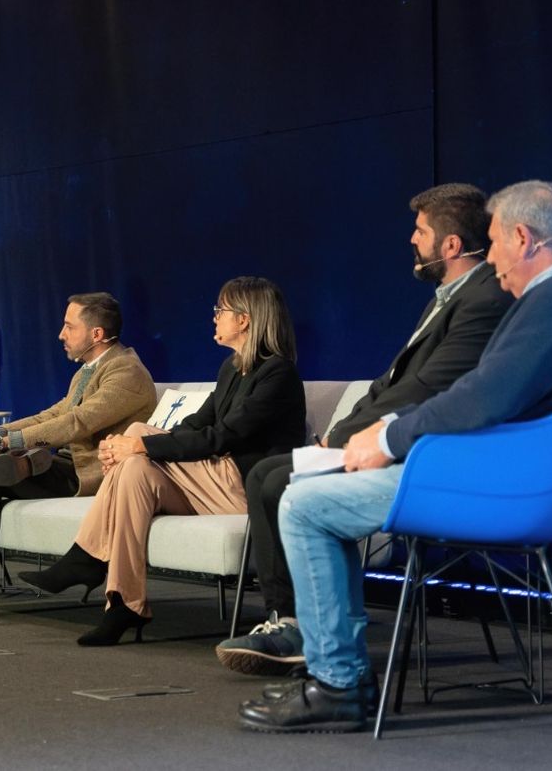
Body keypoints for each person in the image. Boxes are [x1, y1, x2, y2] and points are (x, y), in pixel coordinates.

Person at [239, 181, 552, 734]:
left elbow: (484, 397)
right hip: (497, 474)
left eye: (493, 244)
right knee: (307, 492)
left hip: (506, 488)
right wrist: (392, 433)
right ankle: (335, 672)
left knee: (305, 504)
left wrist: (389, 440)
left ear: (522, 237)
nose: (490, 260)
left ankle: (339, 684)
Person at [216, 184, 511, 675]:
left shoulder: (480, 299)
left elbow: (424, 388)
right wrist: (339, 432)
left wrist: (341, 438)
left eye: (420, 232)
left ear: (451, 245)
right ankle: (289, 620)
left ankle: (305, 629)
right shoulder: (449, 298)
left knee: (277, 480)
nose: (412, 241)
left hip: (426, 453)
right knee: (266, 475)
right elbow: (390, 381)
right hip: (393, 436)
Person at [25, 277, 307, 646]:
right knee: (135, 467)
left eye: (220, 311)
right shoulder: (232, 369)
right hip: (211, 481)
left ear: (245, 320)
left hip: (242, 485)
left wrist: (140, 445)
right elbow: (196, 424)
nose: (214, 318)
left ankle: (87, 557)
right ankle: (124, 603)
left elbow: (223, 438)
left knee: (138, 445)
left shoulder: (277, 373)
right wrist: (136, 447)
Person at [0, 292, 157, 620]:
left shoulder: (126, 372)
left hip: (92, 476)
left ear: (96, 334)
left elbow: (76, 422)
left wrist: (3, 443)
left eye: (69, 327)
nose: (61, 334)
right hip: (66, 463)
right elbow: (51, 415)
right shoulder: (90, 369)